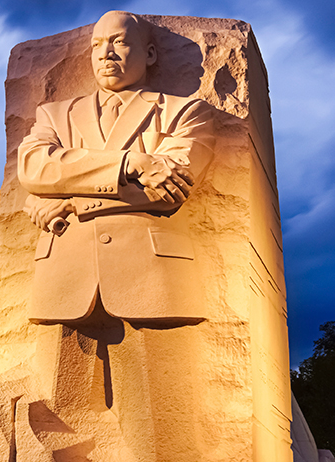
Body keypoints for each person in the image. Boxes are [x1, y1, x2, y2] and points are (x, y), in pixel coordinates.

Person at [17, 10, 216, 325]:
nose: (105, 53)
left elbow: (169, 190)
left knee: (158, 373)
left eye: (119, 42)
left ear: (149, 53)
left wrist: (69, 202)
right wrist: (131, 162)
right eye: (97, 45)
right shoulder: (54, 115)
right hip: (63, 277)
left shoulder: (187, 112)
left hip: (151, 277)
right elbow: (34, 168)